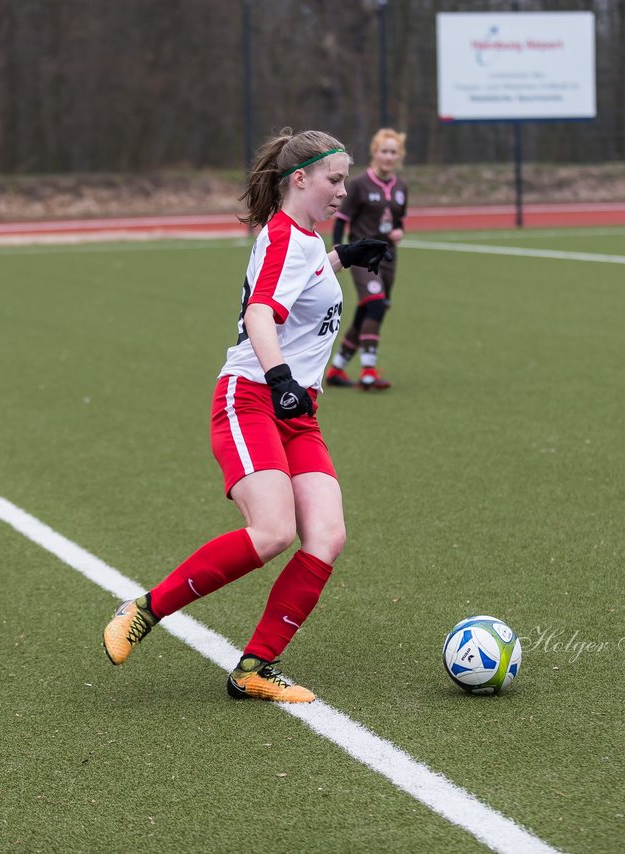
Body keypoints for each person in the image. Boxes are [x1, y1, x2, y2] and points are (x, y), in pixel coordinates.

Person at [102, 128, 392, 703]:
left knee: (326, 535)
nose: (344, 189)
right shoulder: (286, 237)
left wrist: (339, 259)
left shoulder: (304, 240)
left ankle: (255, 666)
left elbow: (297, 280)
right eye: (335, 179)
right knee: (274, 531)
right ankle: (144, 609)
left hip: (296, 411)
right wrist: (281, 379)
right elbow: (262, 313)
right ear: (300, 180)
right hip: (253, 397)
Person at [325, 128, 410, 390]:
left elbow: (397, 220)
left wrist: (399, 231)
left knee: (370, 309)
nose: (388, 156)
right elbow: (342, 220)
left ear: (399, 156)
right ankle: (368, 370)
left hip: (389, 256)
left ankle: (337, 369)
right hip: (363, 257)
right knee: (375, 303)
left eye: (393, 152)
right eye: (384, 151)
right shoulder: (360, 184)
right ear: (375, 153)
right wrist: (340, 250)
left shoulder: (402, 187)